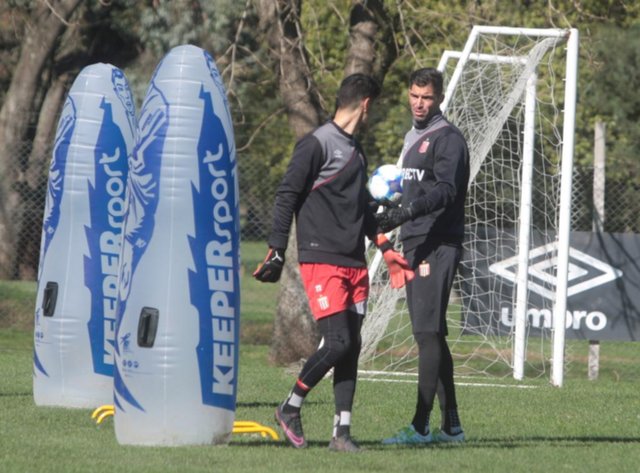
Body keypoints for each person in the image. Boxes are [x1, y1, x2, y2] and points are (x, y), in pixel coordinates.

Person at [253, 74, 414, 452]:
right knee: (338, 342)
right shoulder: (316, 145)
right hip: (321, 258)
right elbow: (286, 195)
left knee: (351, 345)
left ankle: (341, 433)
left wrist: (386, 249)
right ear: (366, 104)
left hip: (354, 260)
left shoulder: (357, 151)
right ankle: (290, 407)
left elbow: (362, 210)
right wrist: (276, 248)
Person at [376, 67, 469, 445]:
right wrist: (384, 204)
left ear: (440, 98)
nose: (419, 103)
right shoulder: (412, 138)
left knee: (426, 333)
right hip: (414, 242)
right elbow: (408, 190)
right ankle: (451, 428)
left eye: (427, 97)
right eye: (414, 95)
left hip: (438, 243)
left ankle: (419, 426)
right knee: (431, 334)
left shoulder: (448, 140)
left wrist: (406, 213)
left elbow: (447, 191)